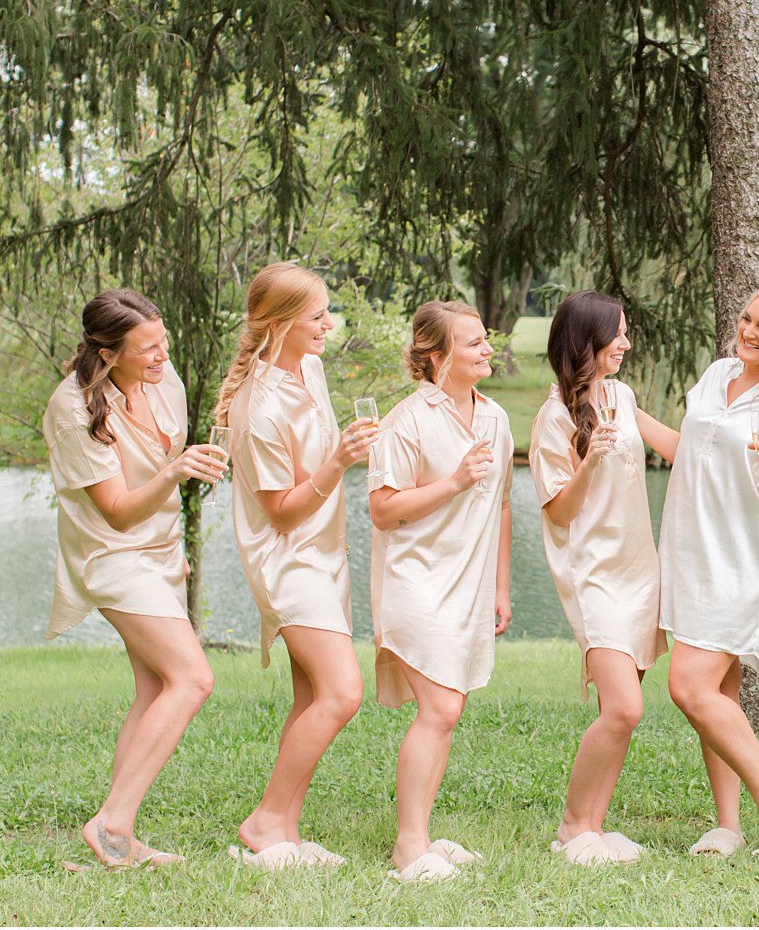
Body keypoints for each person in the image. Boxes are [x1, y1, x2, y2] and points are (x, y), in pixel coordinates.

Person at [645, 278, 759, 859]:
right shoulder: (718, 374)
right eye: (747, 319)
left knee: (689, 686)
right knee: (719, 690)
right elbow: (686, 448)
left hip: (737, 563)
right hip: (689, 551)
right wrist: (623, 408)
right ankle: (727, 822)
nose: (747, 331)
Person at [45, 290, 225, 868]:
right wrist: (176, 472)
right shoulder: (71, 409)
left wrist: (176, 541)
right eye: (146, 349)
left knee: (155, 690)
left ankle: (118, 834)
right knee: (193, 679)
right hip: (112, 554)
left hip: (160, 550)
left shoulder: (161, 376)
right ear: (105, 352)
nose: (161, 356)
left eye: (162, 341)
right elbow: (117, 510)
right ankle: (110, 824)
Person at [218, 262, 377, 870]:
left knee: (311, 693)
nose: (328, 326)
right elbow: (281, 514)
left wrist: (357, 453)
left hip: (326, 553)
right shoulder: (257, 408)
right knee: (342, 693)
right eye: (317, 316)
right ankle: (263, 822)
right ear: (279, 323)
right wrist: (338, 462)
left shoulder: (308, 367)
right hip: (288, 560)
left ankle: (284, 829)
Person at [368, 300, 512, 882]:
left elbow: (500, 503)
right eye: (473, 342)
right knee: (441, 707)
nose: (487, 350)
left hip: (470, 588)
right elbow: (382, 509)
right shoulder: (406, 420)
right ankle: (408, 846)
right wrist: (453, 483)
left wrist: (500, 586)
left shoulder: (497, 419)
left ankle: (423, 833)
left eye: (485, 340)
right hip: (415, 580)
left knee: (448, 712)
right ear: (436, 356)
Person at [530, 291, 667, 867]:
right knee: (624, 708)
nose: (627, 344)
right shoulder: (552, 417)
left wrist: (749, 444)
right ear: (586, 341)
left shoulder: (623, 395)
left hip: (640, 568)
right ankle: (570, 825)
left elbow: (679, 445)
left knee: (623, 714)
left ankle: (594, 826)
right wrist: (590, 461)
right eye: (618, 335)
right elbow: (558, 513)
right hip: (593, 574)